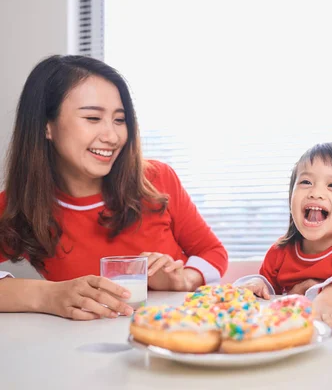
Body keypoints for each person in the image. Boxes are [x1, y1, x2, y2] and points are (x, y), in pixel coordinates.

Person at [0, 55, 228, 320]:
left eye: (119, 120)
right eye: (93, 118)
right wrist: (48, 295)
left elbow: (213, 253)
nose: (112, 136)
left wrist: (184, 280)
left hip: (177, 335)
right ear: (46, 126)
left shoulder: (156, 179)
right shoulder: (21, 205)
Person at [236, 143, 332, 333]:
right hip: (306, 332)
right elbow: (269, 295)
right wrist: (257, 286)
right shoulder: (279, 251)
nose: (315, 193)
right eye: (305, 182)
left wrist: (322, 303)